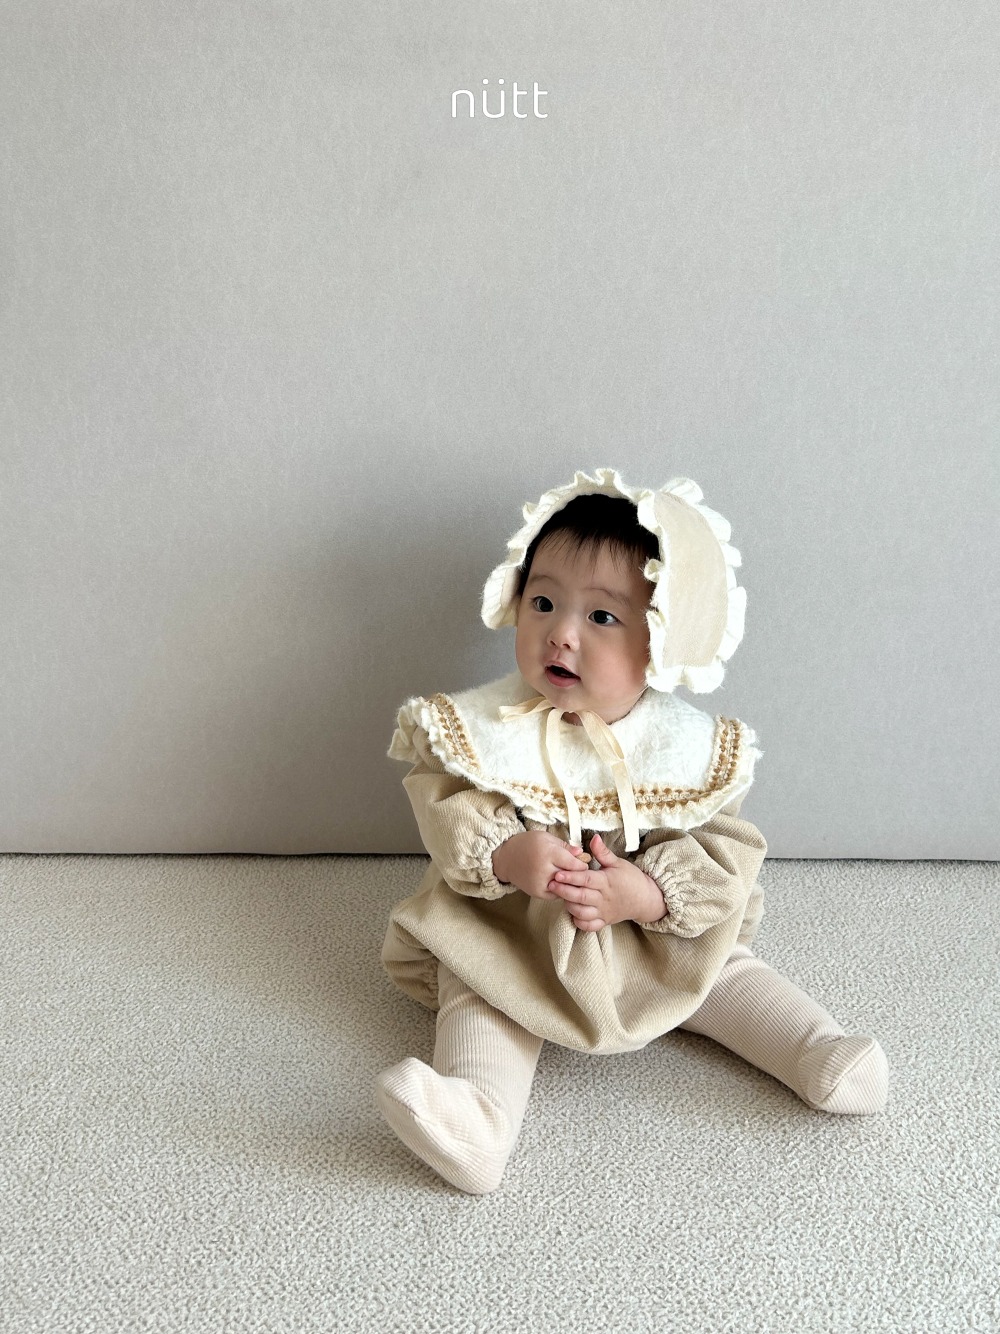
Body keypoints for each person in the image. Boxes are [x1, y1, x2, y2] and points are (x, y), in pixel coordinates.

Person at [376, 468, 888, 1194]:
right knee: (480, 985)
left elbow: (725, 855)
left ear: (664, 639)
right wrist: (509, 853)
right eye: (543, 603)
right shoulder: (484, 728)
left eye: (601, 617)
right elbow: (445, 804)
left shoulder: (683, 749)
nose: (561, 634)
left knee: (720, 972)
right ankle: (479, 1121)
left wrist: (647, 893)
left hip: (651, 938)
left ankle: (817, 1050)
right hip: (517, 930)